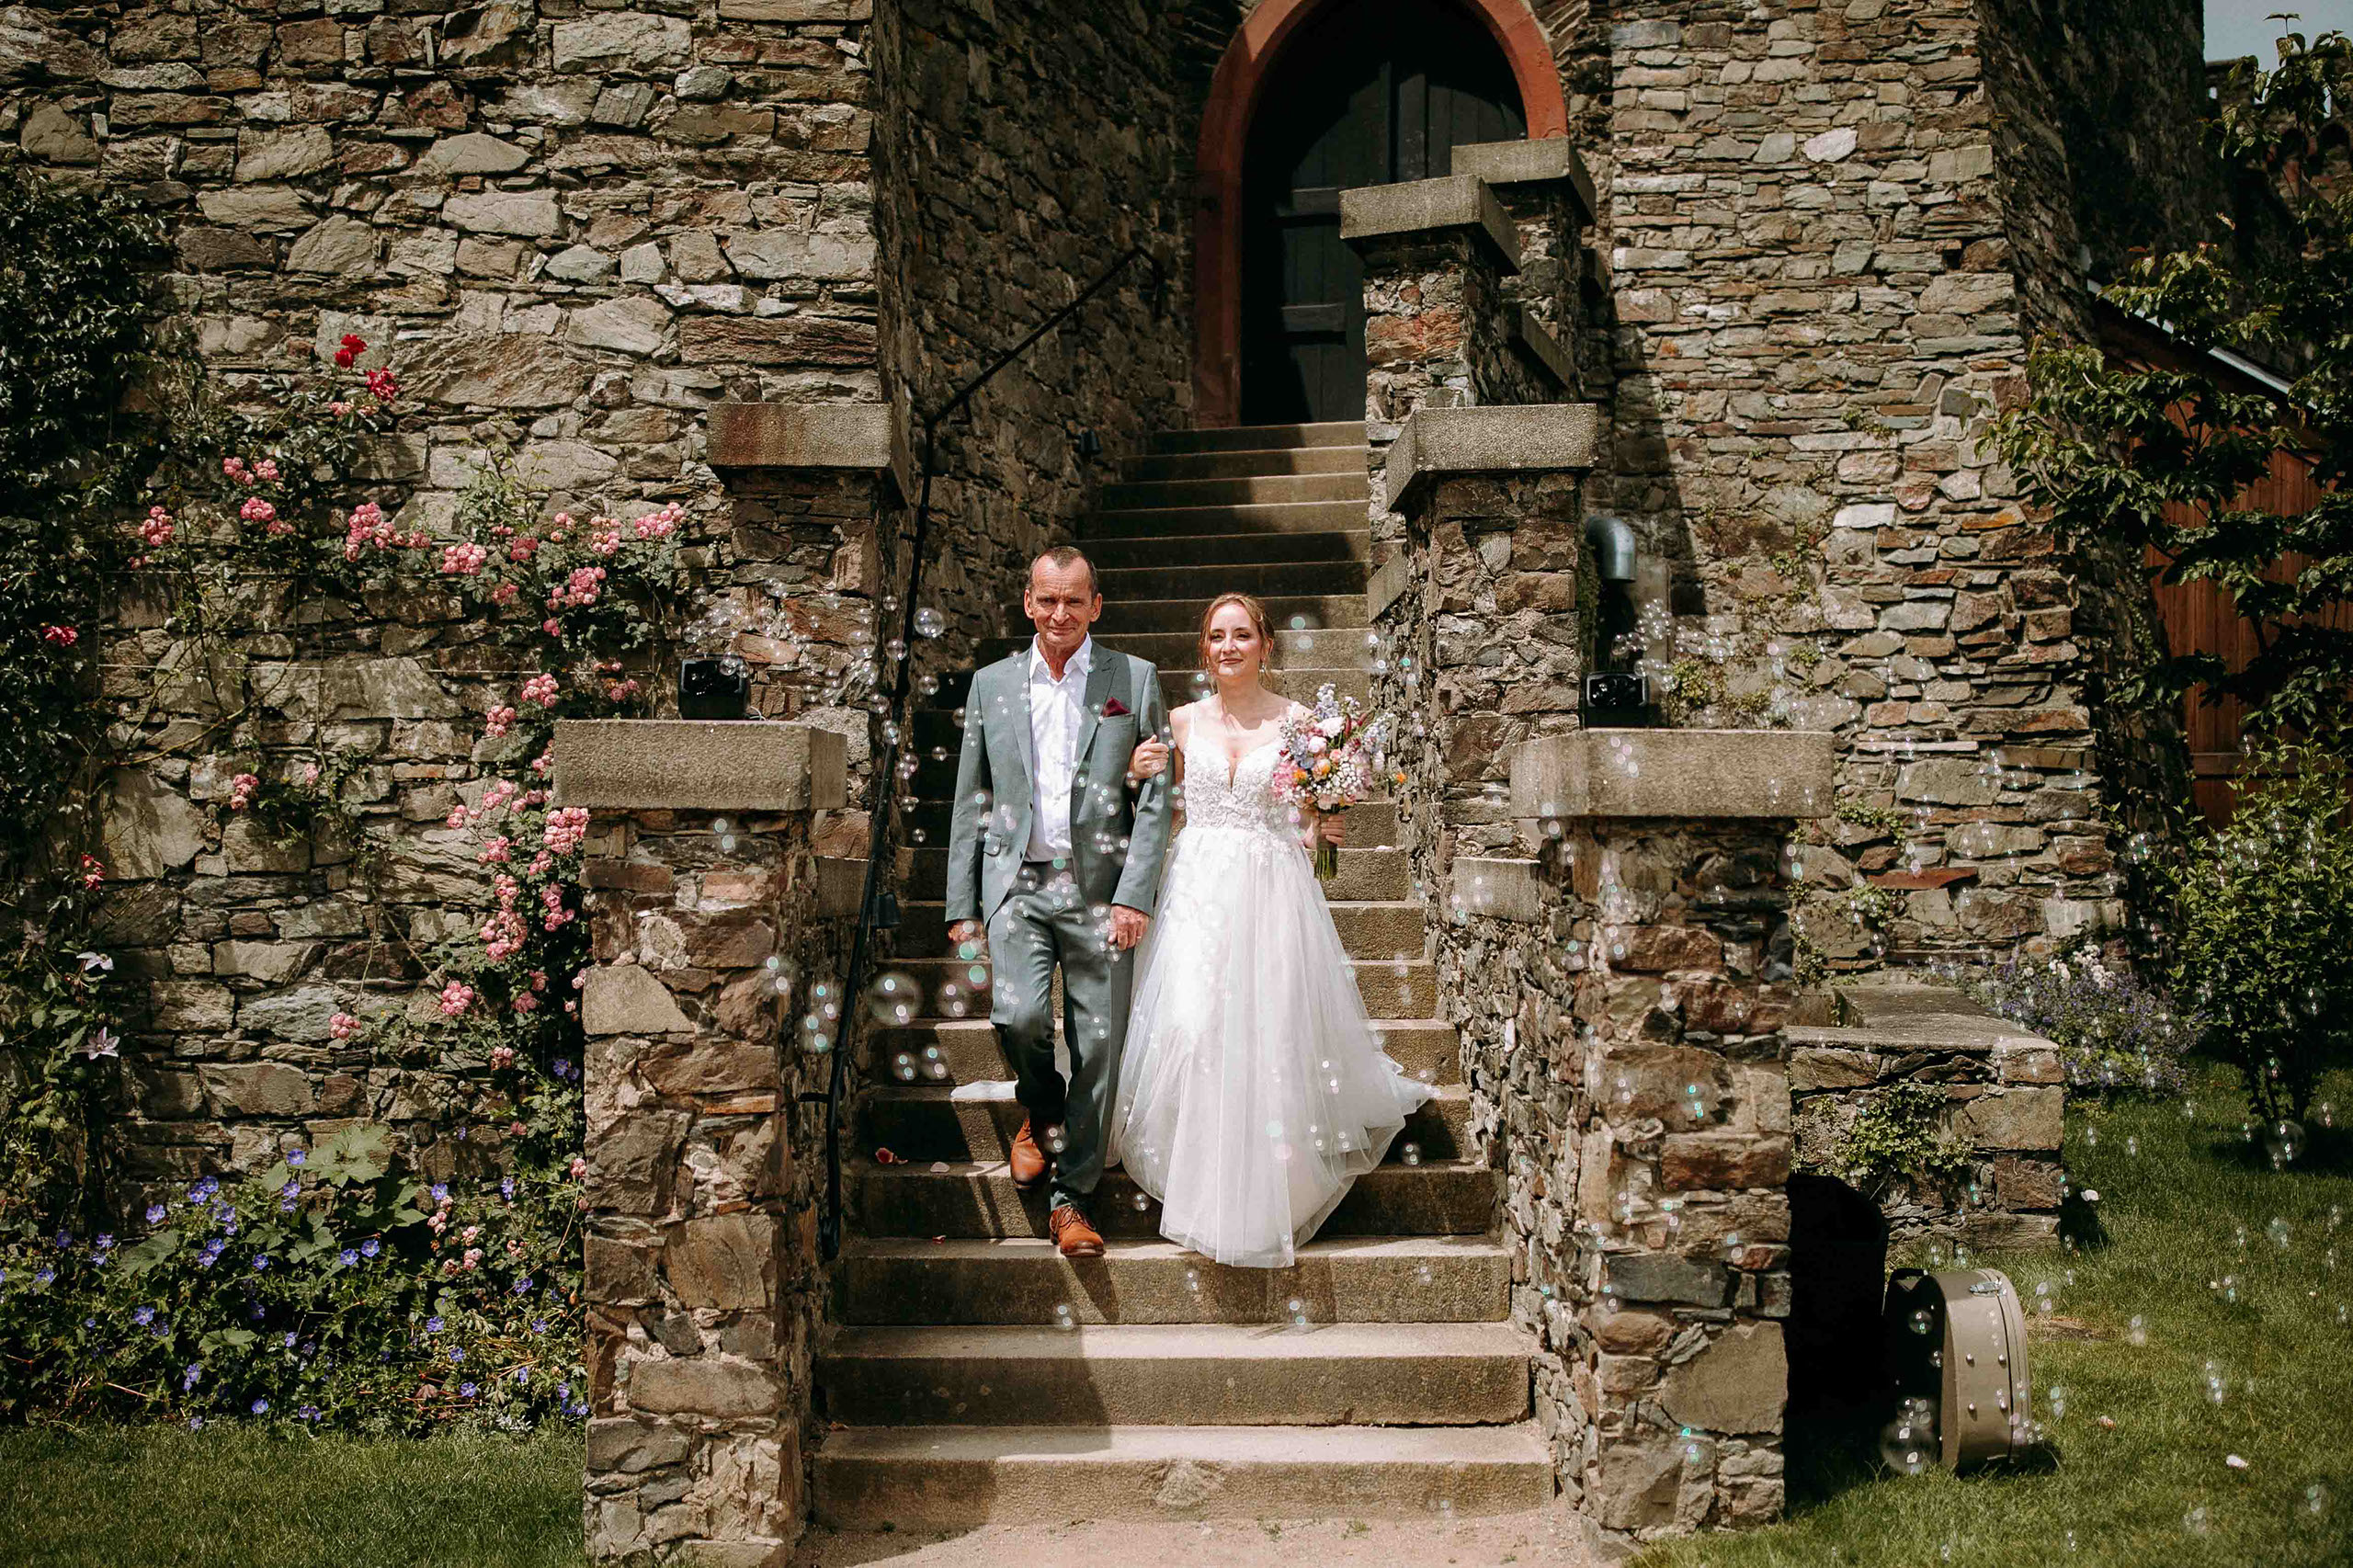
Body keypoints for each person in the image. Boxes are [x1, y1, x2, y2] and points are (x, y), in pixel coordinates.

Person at [1109, 591, 1433, 1267]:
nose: (1229, 648)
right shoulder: (1180, 722)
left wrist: (1326, 825)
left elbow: (1309, 826)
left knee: (1264, 1035)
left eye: (1242, 636)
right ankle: (1198, 1179)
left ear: (1265, 645)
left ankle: (1262, 1196)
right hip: (1197, 887)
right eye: (1217, 637)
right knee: (1189, 1027)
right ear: (1205, 648)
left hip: (1269, 889)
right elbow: (1161, 820)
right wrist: (1136, 781)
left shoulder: (1302, 724)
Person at [942, 546, 1175, 1258]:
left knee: (1099, 1045)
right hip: (1018, 884)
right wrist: (962, 903)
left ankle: (1072, 1203)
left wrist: (1135, 896)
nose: (1059, 614)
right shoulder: (990, 684)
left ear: (1095, 606)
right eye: (1047, 600)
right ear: (1027, 602)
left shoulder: (1132, 680)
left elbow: (1159, 794)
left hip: (1100, 893)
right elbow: (970, 798)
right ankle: (1040, 1108)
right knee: (1016, 1015)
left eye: (1074, 601)